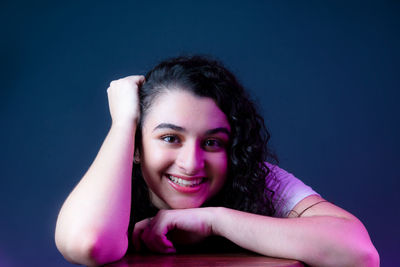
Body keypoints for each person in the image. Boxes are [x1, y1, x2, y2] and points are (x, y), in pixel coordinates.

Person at [55, 56, 379, 266]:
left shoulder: (256, 178)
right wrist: (124, 121)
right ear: (137, 146)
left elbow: (359, 253)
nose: (192, 163)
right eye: (170, 138)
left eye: (212, 143)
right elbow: (90, 243)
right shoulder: (116, 177)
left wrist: (215, 220)